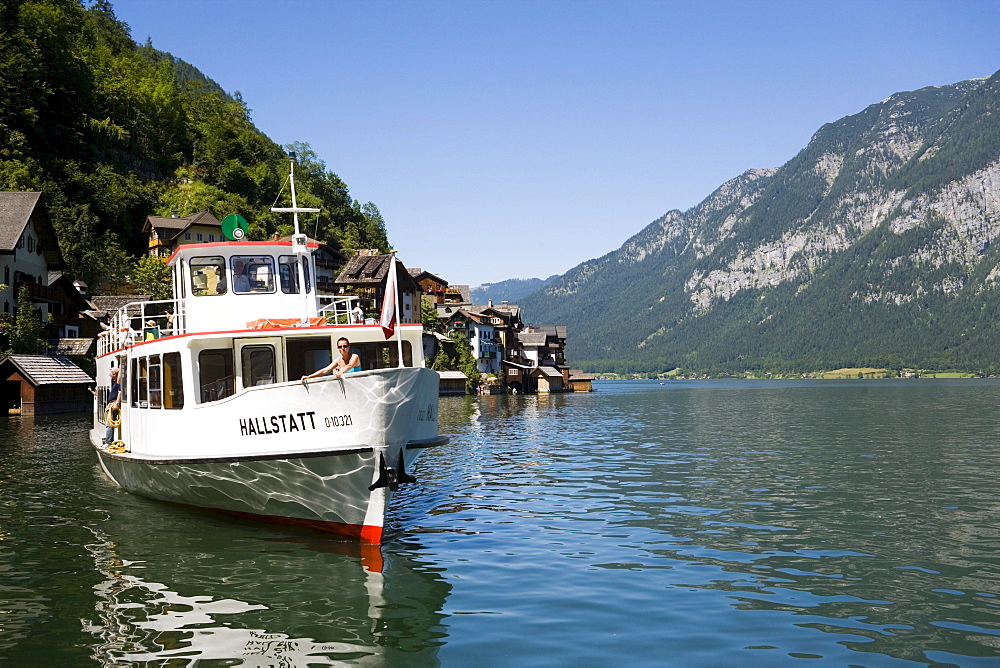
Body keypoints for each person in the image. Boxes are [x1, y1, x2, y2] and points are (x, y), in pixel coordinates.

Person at [90, 367, 121, 445]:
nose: (109, 375)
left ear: (114, 374)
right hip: (110, 404)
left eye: (110, 373)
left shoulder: (118, 382)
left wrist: (116, 403)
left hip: (113, 404)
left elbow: (120, 392)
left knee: (109, 425)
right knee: (108, 424)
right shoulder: (114, 382)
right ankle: (109, 441)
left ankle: (108, 443)